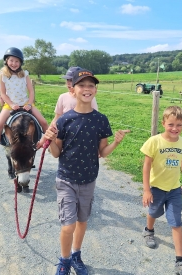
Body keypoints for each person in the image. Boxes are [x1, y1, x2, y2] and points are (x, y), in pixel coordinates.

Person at [43, 68, 130, 275]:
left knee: (82, 221)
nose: (87, 88)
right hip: (66, 179)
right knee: (68, 226)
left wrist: (116, 143)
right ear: (73, 90)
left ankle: (76, 254)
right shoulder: (64, 120)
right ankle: (64, 261)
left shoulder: (101, 120)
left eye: (91, 85)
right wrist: (50, 140)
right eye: (82, 85)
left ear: (95, 91)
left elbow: (103, 152)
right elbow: (56, 153)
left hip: (89, 179)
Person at [140, 105, 182, 275]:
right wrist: (147, 189)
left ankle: (180, 262)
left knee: (176, 222)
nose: (175, 128)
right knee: (154, 212)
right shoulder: (154, 141)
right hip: (156, 188)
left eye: (179, 125)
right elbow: (146, 166)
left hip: (174, 189)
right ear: (163, 123)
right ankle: (149, 231)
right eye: (171, 124)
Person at [0, 47, 48, 169]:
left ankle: (50, 145)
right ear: (6, 61)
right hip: (10, 105)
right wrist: (11, 104)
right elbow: (2, 93)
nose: (14, 63)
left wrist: (29, 103)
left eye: (17, 61)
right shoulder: (3, 75)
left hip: (25, 103)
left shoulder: (25, 74)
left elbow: (30, 90)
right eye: (11, 60)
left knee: (44, 122)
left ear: (20, 63)